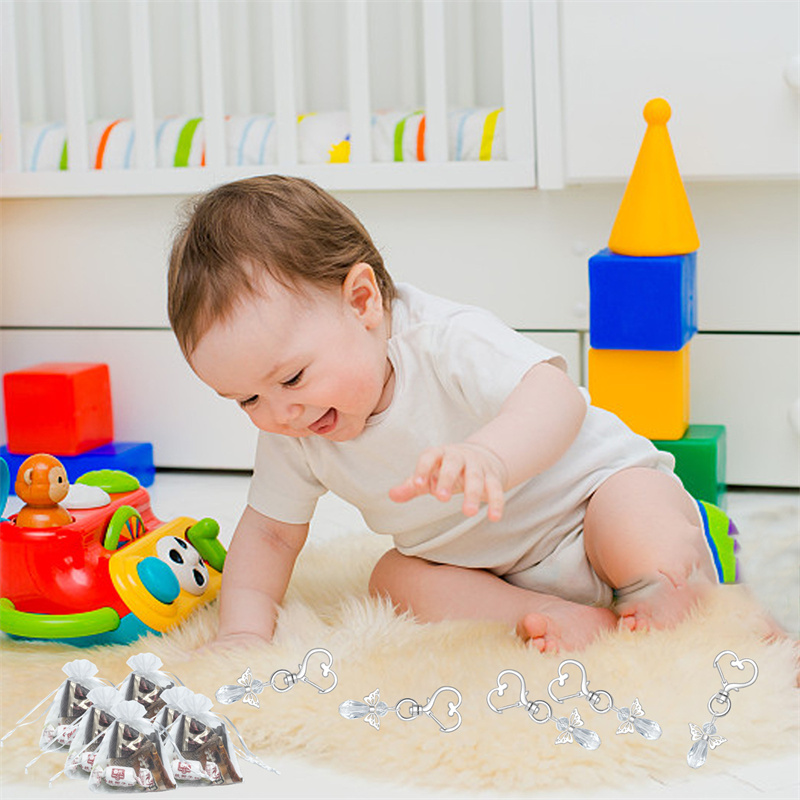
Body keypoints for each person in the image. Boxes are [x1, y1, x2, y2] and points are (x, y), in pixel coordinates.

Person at [167, 175, 723, 654]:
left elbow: (556, 397)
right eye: (246, 400)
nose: (279, 413)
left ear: (361, 302)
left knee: (635, 515)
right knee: (392, 579)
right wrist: (241, 630)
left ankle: (664, 586)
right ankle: (548, 611)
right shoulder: (296, 427)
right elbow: (269, 535)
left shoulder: (443, 342)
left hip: (588, 506)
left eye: (290, 378)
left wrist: (492, 455)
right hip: (490, 566)